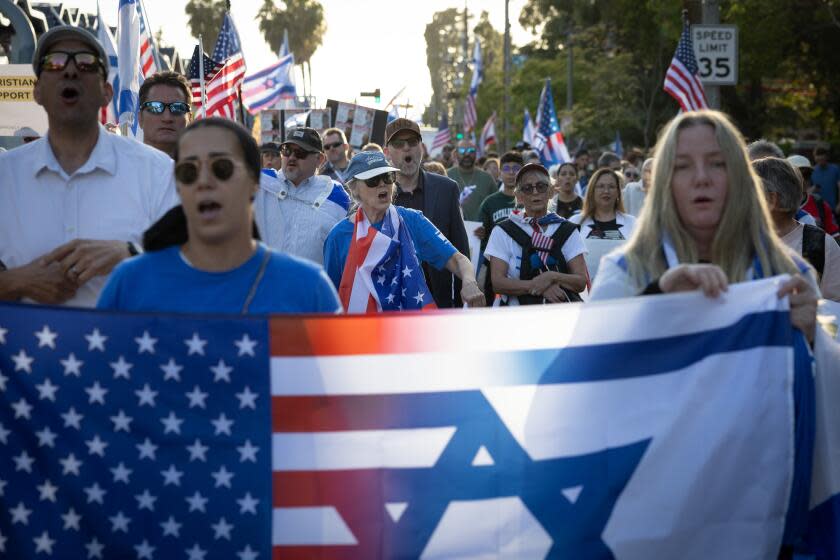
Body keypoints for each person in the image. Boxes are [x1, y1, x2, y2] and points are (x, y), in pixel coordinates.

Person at [590, 111, 817, 341]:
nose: (701, 178)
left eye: (717, 164)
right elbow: (586, 367)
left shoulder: (789, 276)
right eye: (683, 166)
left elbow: (823, 374)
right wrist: (653, 299)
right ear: (664, 182)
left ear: (738, 176)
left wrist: (811, 340)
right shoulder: (623, 274)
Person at [0, 25, 177, 307]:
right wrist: (18, 281)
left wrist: (130, 255)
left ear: (106, 92)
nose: (70, 71)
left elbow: (195, 270)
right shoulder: (4, 175)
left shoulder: (157, 172)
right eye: (54, 63)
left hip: (125, 348)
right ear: (36, 92)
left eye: (85, 63)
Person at [98, 118, 341, 314]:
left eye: (222, 169)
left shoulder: (310, 289)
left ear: (255, 183)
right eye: (188, 170)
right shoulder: (130, 282)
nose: (204, 181)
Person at [323, 151, 484, 312]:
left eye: (387, 177)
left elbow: (458, 260)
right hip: (362, 332)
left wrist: (470, 283)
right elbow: (331, 299)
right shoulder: (338, 237)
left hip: (408, 330)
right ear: (354, 189)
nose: (382, 184)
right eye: (372, 180)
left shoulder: (412, 221)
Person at [384, 118, 470, 308]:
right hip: (395, 301)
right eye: (399, 144)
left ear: (421, 147)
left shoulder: (446, 188)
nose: (407, 148)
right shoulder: (378, 193)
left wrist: (463, 297)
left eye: (412, 142)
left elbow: (460, 246)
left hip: (440, 299)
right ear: (387, 152)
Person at [485, 163, 588, 306]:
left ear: (551, 191)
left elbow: (581, 281)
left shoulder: (567, 230)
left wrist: (552, 277)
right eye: (527, 188)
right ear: (519, 196)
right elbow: (498, 283)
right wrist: (538, 287)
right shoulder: (502, 231)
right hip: (517, 315)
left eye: (541, 186)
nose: (535, 192)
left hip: (560, 313)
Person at [253, 126, 350, 265]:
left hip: (309, 284)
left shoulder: (336, 196)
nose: (292, 157)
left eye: (300, 153)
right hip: (261, 282)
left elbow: (344, 252)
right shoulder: (260, 182)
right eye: (287, 151)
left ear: (319, 159)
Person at [753, 156, 840, 301]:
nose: (739, 201)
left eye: (748, 193)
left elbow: (835, 310)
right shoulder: (738, 242)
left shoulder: (821, 245)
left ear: (771, 200)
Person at [569, 168, 637, 240]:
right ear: (592, 191)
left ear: (618, 192)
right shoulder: (575, 222)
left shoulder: (632, 223)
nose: (606, 191)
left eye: (611, 187)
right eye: (601, 186)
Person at [138, 71, 191, 158]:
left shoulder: (204, 171)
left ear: (189, 118)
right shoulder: (120, 169)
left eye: (177, 108)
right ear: (140, 118)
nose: (167, 118)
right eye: (155, 107)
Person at [479, 152, 522, 248]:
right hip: (495, 258)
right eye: (506, 169)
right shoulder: (489, 202)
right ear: (499, 173)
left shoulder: (531, 200)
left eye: (516, 169)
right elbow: (481, 237)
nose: (511, 173)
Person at [447, 138, 498, 221]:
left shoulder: (487, 178)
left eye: (471, 150)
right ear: (456, 154)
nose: (467, 154)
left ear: (476, 153)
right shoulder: (446, 176)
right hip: (452, 231)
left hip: (481, 231)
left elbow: (495, 208)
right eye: (462, 150)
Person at [792, 154, 840, 237]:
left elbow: (834, 236)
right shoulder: (776, 207)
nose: (803, 180)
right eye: (798, 175)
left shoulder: (820, 205)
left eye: (806, 175)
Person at [812, 146, 840, 219]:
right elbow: (807, 191)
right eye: (818, 159)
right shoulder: (812, 171)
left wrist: (839, 204)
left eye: (822, 159)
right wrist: (812, 189)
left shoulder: (835, 169)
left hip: (833, 208)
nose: (820, 161)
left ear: (827, 157)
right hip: (818, 209)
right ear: (815, 158)